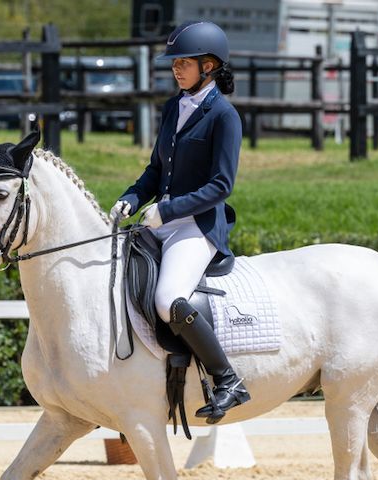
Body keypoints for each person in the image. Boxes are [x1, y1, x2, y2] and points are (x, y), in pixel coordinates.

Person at [111, 20, 249, 423]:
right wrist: (131, 198)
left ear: (209, 66)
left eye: (183, 62)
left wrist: (167, 211)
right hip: (162, 218)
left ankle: (227, 380)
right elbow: (156, 170)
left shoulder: (224, 117)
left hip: (198, 226)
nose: (175, 68)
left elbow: (221, 185)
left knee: (167, 298)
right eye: (174, 62)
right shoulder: (174, 106)